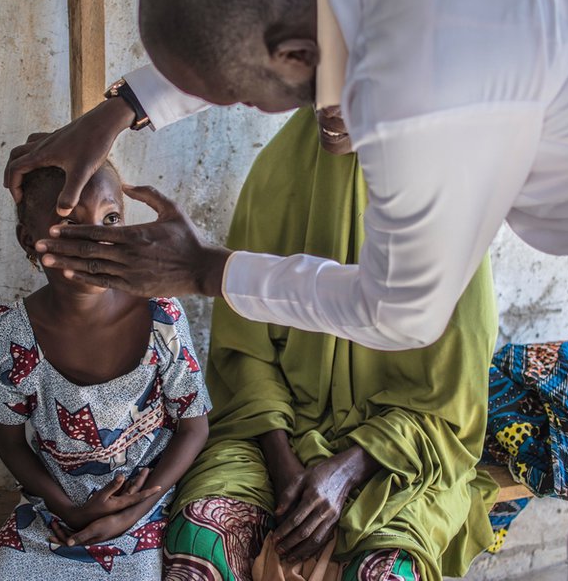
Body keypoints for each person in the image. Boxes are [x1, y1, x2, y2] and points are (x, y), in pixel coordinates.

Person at [5, 0, 568, 579]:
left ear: (299, 56)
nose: (251, 110)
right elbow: (254, 11)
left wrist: (206, 271)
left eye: (242, 100)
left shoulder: (415, 94)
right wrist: (119, 110)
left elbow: (403, 313)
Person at [162, 107, 499, 581]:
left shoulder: (447, 196)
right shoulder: (276, 174)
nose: (331, 103)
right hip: (269, 438)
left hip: (403, 458)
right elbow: (245, 354)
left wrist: (346, 470)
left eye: (352, 78)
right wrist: (284, 467)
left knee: (385, 572)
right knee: (201, 545)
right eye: (319, 78)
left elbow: (449, 406)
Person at [0, 163, 211, 579]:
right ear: (28, 240)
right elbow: (10, 444)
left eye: (111, 218)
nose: (98, 239)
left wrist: (129, 514)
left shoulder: (161, 316)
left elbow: (195, 428)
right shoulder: (9, 335)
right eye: (71, 224)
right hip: (55, 508)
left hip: (148, 500)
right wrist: (70, 509)